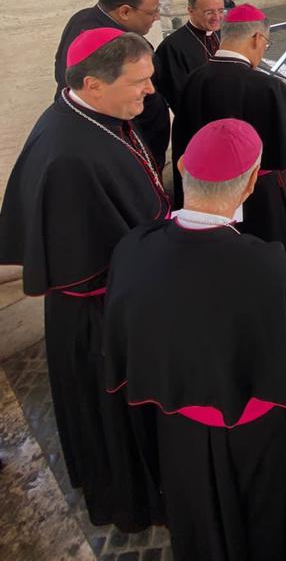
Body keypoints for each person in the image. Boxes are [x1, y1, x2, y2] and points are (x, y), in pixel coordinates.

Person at [103, 119, 286, 561]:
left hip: (181, 437)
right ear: (250, 183)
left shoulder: (131, 251)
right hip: (260, 439)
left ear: (183, 167)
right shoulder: (277, 272)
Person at [0, 29, 168, 530]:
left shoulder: (94, 116)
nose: (151, 90)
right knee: (115, 417)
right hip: (100, 318)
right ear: (93, 84)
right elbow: (92, 255)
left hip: (117, 300)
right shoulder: (67, 157)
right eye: (139, 81)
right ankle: (134, 498)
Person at [172, 5, 286, 253]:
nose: (263, 49)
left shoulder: (193, 80)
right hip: (260, 195)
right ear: (256, 38)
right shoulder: (266, 85)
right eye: (266, 44)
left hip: (206, 196)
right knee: (267, 254)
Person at [54, 0, 170, 169]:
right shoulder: (102, 41)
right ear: (124, 12)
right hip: (123, 139)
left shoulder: (84, 17)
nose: (157, 17)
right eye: (152, 12)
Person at [153, 0, 225, 112]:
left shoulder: (223, 35)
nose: (216, 17)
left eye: (220, 11)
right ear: (191, 11)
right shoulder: (172, 46)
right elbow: (177, 96)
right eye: (209, 12)